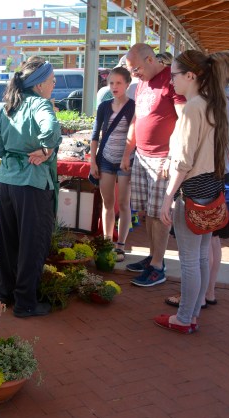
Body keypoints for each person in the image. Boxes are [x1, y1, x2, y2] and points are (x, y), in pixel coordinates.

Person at [156, 50, 229, 334]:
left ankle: (184, 318)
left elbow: (184, 161)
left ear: (190, 75)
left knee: (189, 260)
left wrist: (167, 197)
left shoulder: (192, 108)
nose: (170, 81)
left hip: (192, 192)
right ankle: (193, 312)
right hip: (211, 189)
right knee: (198, 257)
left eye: (173, 75)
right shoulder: (214, 104)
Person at [0, 56, 62, 318]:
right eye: (52, 80)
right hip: (32, 183)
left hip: (7, 182)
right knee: (32, 244)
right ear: (40, 84)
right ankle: (25, 303)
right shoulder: (39, 104)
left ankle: (5, 293)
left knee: (7, 242)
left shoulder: (9, 106)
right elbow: (52, 129)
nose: (54, 84)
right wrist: (46, 147)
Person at [122, 43, 186, 287]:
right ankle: (152, 257)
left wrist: (173, 155)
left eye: (135, 69)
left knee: (159, 214)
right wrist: (128, 151)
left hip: (163, 158)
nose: (134, 75)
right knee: (146, 211)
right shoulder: (142, 85)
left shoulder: (171, 79)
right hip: (142, 156)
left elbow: (183, 121)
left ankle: (158, 266)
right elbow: (137, 118)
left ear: (150, 60)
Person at [89, 67, 135, 261]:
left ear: (127, 84)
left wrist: (126, 155)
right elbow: (95, 136)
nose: (114, 86)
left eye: (118, 83)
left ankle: (121, 246)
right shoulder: (104, 106)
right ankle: (107, 243)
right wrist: (93, 162)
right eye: (111, 83)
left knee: (124, 204)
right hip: (106, 159)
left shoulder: (133, 106)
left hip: (126, 161)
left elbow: (135, 135)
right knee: (108, 203)